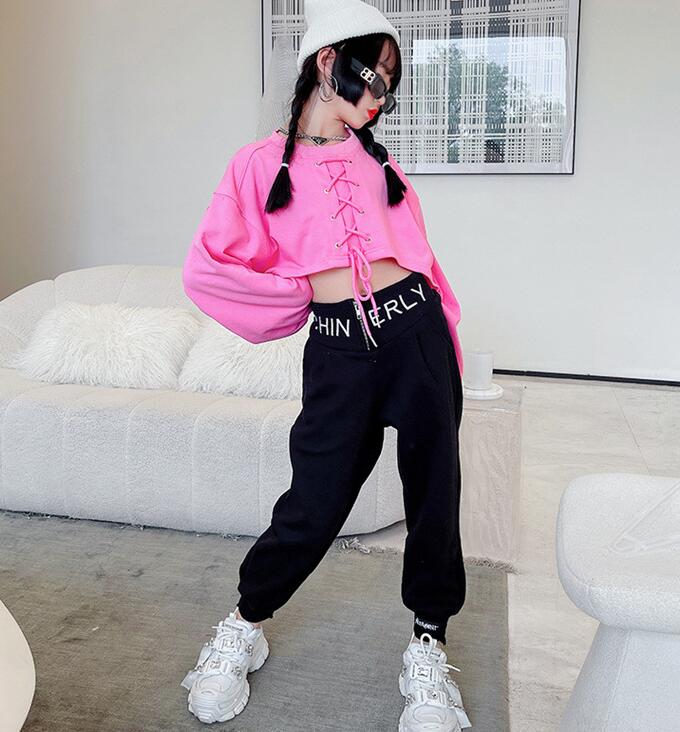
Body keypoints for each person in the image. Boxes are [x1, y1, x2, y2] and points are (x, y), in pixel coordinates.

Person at [179, 1, 471, 729]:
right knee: (315, 499)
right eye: (373, 77)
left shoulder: (379, 161)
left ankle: (429, 644)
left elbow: (421, 258)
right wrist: (294, 297)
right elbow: (208, 266)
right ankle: (244, 624)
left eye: (390, 89)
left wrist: (445, 347)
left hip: (415, 332)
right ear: (327, 60)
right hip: (339, 348)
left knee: (435, 492)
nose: (379, 99)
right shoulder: (257, 165)